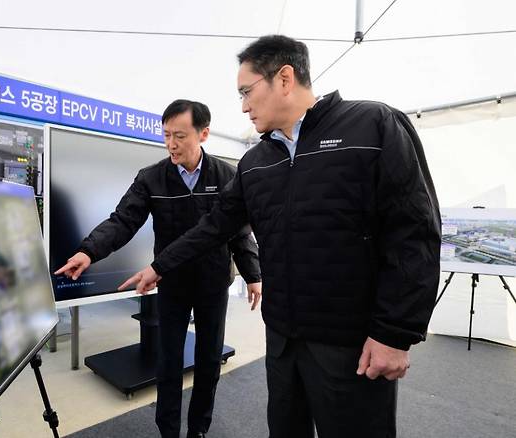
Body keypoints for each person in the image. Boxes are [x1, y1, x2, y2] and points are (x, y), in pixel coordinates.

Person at [119, 35, 442, 438]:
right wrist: (159, 266)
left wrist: (395, 333)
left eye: (246, 91)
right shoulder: (255, 162)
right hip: (284, 341)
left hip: (352, 345)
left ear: (284, 78)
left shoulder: (372, 126)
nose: (242, 106)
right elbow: (216, 225)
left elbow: (415, 232)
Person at [55, 99, 262, 438]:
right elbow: (123, 221)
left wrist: (252, 274)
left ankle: (198, 430)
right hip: (171, 284)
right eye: (166, 135)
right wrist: (88, 252)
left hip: (212, 284)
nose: (171, 144)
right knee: (167, 362)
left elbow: (238, 230)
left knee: (209, 362)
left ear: (204, 134)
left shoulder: (227, 176)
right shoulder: (152, 178)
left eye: (179, 136)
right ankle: (168, 431)